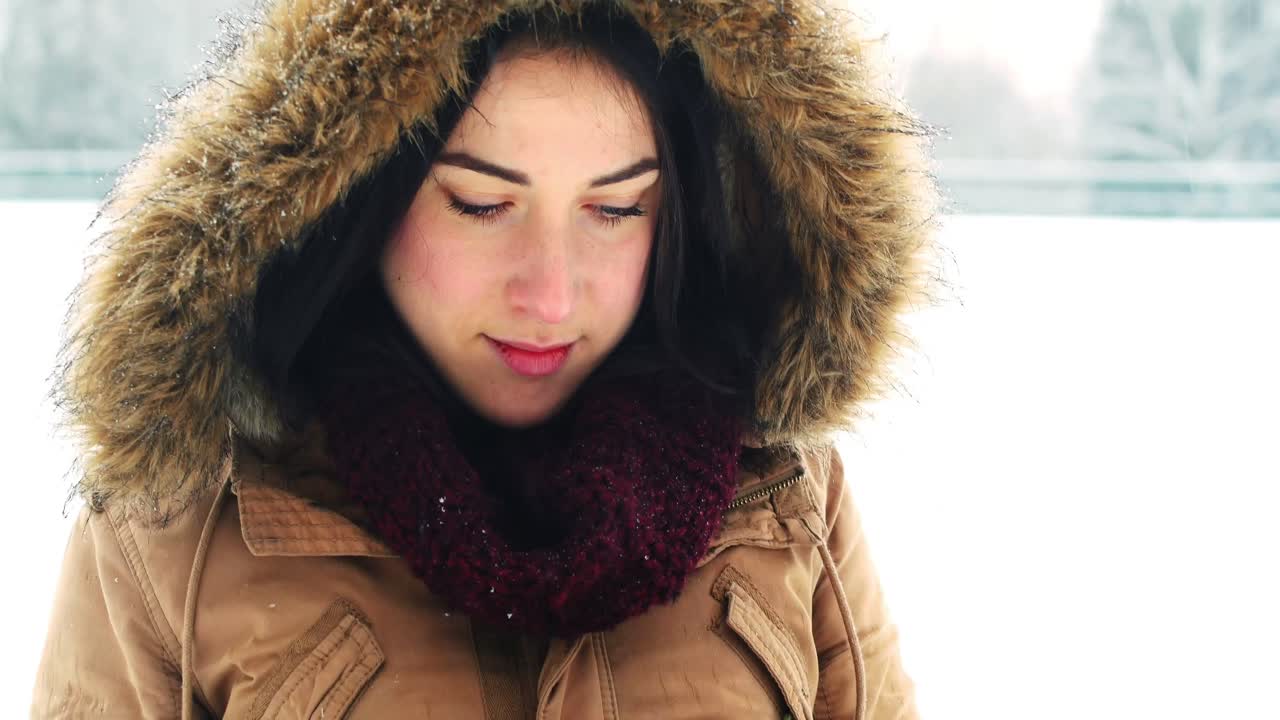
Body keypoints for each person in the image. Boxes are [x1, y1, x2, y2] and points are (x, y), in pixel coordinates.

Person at [31, 1, 941, 718]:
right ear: (358, 196)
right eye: (477, 203)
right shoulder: (176, 528)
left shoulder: (788, 498)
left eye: (617, 209)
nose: (550, 295)